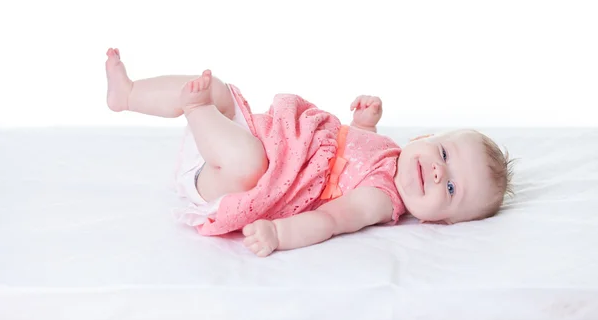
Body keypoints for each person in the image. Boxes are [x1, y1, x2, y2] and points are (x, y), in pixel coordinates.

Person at [105, 48, 514, 257]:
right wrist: (364, 124)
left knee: (248, 161)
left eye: (452, 188)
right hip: (250, 139)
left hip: (236, 178)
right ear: (424, 137)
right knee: (220, 89)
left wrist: (279, 234)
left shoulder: (379, 199)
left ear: (441, 221)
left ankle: (196, 111)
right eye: (443, 154)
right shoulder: (390, 152)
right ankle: (129, 94)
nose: (440, 173)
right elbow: (350, 154)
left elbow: (331, 218)